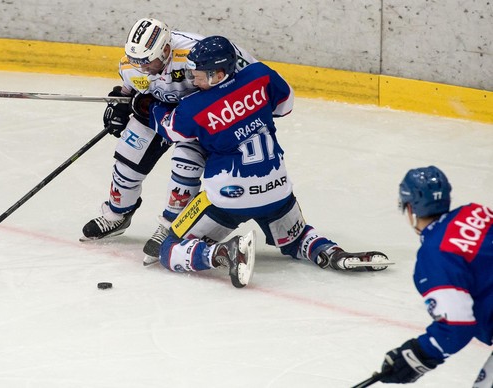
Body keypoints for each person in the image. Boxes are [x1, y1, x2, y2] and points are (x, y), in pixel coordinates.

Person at [146, 36, 391, 288]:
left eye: (197, 74)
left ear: (217, 75)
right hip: (277, 191)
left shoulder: (193, 107)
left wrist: (148, 106)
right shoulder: (260, 75)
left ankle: (221, 253)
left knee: (168, 249)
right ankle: (329, 252)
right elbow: (285, 105)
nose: (191, 79)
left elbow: (169, 128)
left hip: (227, 200)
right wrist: (251, 111)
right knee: (296, 240)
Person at [81, 18, 257, 267]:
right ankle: (117, 214)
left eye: (148, 61)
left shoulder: (193, 52)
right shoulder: (133, 64)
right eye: (137, 61)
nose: (143, 68)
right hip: (155, 113)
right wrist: (120, 101)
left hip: (197, 122)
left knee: (185, 166)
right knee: (126, 161)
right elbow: (130, 87)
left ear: (165, 50)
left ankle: (170, 226)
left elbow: (250, 74)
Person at [375, 166, 493, 386]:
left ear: (410, 208)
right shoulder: (476, 212)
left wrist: (417, 354)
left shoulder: (435, 255)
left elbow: (457, 325)